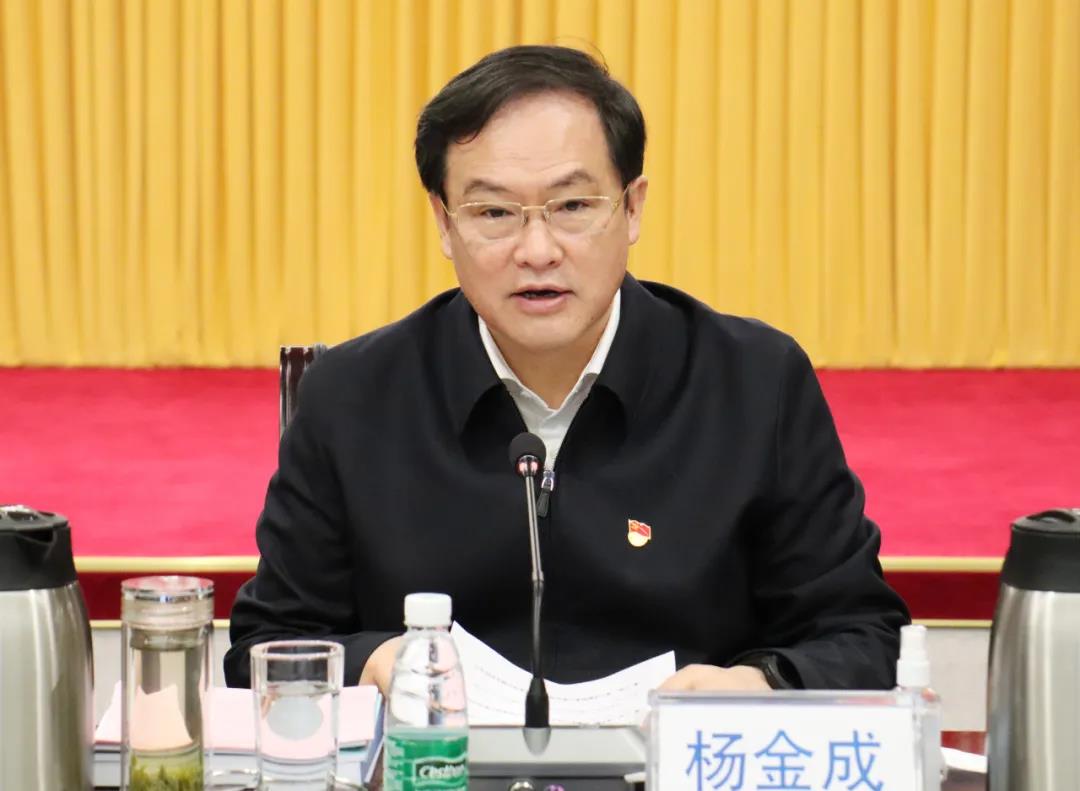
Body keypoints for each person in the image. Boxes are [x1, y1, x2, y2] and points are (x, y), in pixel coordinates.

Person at [224, 45, 909, 695]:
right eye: (494, 212)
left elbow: (861, 633)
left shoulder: (754, 383)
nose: (537, 250)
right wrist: (372, 662)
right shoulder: (352, 397)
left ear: (632, 208)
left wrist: (756, 685)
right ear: (443, 223)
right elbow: (266, 646)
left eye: (574, 207)